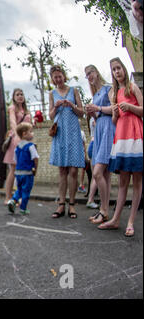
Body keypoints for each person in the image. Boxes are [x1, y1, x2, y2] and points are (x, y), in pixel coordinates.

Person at [98, 57, 143, 237]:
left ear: (124, 69)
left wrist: (130, 107)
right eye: (113, 70)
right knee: (123, 181)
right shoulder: (114, 93)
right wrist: (115, 113)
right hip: (122, 136)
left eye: (119, 68)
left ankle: (130, 222)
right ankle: (116, 219)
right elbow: (116, 121)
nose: (117, 72)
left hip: (136, 136)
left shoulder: (133, 87)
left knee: (137, 180)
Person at [48, 65, 85, 219]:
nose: (58, 79)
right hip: (60, 133)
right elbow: (50, 116)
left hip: (73, 132)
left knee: (74, 170)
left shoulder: (74, 90)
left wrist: (71, 105)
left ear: (64, 76)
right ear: (52, 79)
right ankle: (61, 204)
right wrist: (55, 107)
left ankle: (72, 204)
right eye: (55, 77)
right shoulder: (52, 93)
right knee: (62, 170)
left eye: (60, 76)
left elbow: (82, 113)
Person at [84, 64, 115, 223]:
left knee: (97, 172)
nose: (89, 76)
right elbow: (99, 116)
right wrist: (93, 114)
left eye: (91, 72)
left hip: (109, 129)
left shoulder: (107, 88)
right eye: (87, 74)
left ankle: (103, 210)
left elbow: (114, 109)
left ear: (97, 72)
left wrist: (98, 108)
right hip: (99, 131)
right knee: (105, 175)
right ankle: (104, 211)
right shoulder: (95, 94)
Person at [3, 88, 32, 205]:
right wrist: (18, 136)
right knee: (13, 170)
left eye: (21, 94)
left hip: (26, 141)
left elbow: (29, 126)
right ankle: (7, 197)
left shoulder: (26, 110)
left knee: (23, 170)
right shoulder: (12, 108)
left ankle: (17, 196)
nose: (20, 96)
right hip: (16, 139)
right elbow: (13, 122)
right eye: (17, 94)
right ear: (14, 97)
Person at [7, 122, 39, 216]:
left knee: (19, 189)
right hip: (28, 173)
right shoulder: (31, 146)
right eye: (31, 131)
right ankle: (23, 209)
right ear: (24, 133)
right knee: (26, 191)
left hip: (18, 173)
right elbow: (35, 159)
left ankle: (13, 200)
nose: (32, 133)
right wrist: (35, 170)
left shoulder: (17, 147)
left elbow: (15, 160)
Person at [77, 128, 87, 193]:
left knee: (83, 169)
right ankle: (77, 185)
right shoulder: (72, 132)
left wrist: (85, 153)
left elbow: (84, 144)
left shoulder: (82, 132)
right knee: (74, 169)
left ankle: (81, 185)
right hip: (75, 153)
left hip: (81, 152)